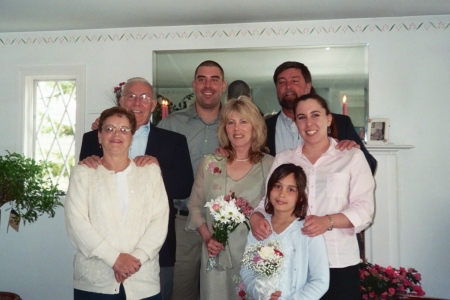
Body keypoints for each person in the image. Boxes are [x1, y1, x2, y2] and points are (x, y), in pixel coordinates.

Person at [79, 77, 194, 300]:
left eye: (144, 98)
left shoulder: (174, 141)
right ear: (121, 101)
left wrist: (158, 170)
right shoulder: (93, 139)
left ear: (153, 105)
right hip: (103, 253)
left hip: (155, 250)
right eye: (131, 96)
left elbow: (183, 187)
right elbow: (83, 197)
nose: (137, 103)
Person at [251, 94, 375, 299]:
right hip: (293, 261)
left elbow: (364, 208)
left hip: (337, 261)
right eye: (301, 117)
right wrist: (256, 218)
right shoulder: (284, 158)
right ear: (295, 122)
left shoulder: (351, 156)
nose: (309, 123)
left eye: (315, 115)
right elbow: (268, 202)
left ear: (328, 119)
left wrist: (328, 221)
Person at [65, 107, 169, 300]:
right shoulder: (82, 174)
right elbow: (76, 224)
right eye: (109, 128)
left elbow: (159, 220)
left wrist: (135, 260)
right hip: (95, 282)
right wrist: (115, 259)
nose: (116, 134)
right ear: (99, 136)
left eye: (123, 130)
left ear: (132, 136)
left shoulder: (150, 172)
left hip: (142, 278)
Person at [187, 98, 274, 300]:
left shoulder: (270, 164)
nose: (237, 128)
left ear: (255, 126)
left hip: (255, 254)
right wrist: (208, 238)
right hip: (216, 254)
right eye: (231, 122)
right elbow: (195, 206)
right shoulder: (209, 163)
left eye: (244, 121)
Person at [158, 60, 226, 300]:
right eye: (202, 79)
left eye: (214, 79)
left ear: (223, 85)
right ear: (194, 84)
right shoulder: (170, 125)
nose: (208, 85)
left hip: (224, 228)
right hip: (182, 225)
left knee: (223, 291)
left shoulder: (237, 125)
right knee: (181, 292)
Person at [265, 61, 377, 175]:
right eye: (281, 82)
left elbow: (369, 167)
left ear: (308, 87)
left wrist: (354, 151)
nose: (288, 86)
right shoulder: (263, 127)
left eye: (294, 81)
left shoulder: (341, 123)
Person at [240, 163, 329, 300]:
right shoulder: (259, 228)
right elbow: (247, 271)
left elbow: (320, 281)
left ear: (300, 197)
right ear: (269, 189)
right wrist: (261, 294)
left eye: (291, 190)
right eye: (277, 186)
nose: (282, 194)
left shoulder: (308, 231)